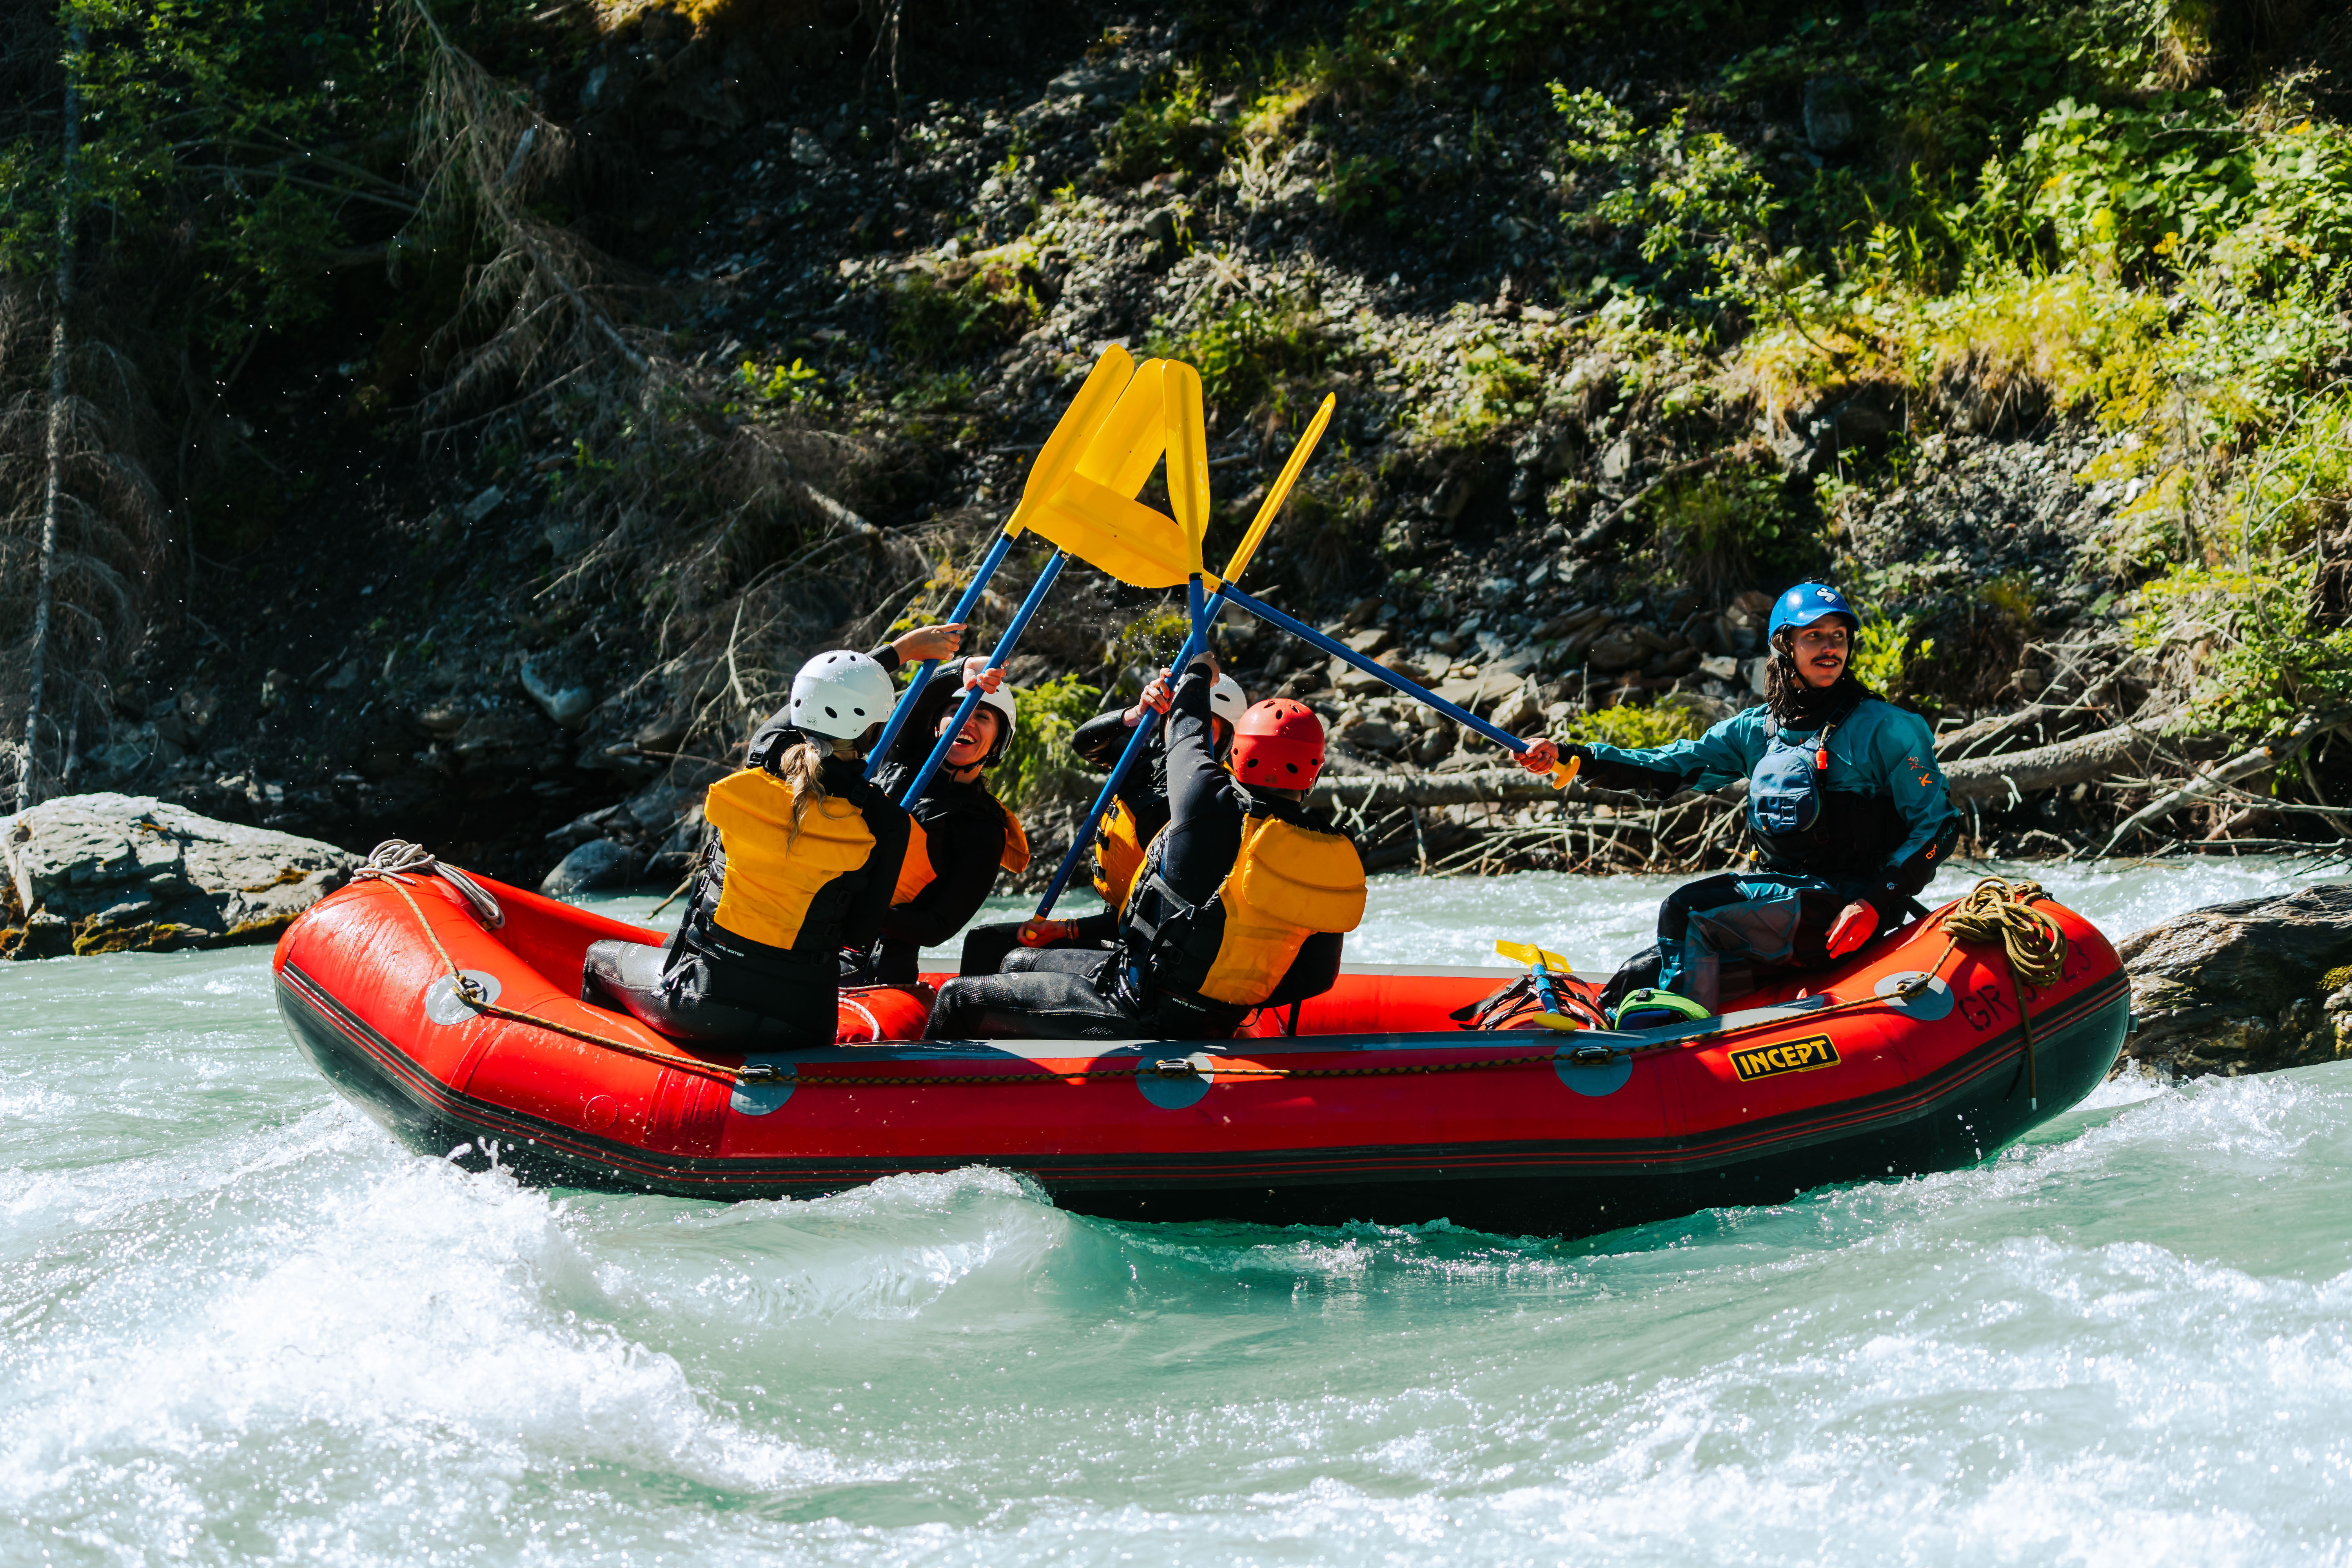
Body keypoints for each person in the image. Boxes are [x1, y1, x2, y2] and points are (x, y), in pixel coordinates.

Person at [1516, 582, 1958, 1018]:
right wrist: (1574, 756)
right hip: (1784, 908)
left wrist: (1875, 901)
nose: (1830, 648)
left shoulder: (1887, 727)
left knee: (1686, 910)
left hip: (1847, 907)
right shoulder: (1756, 730)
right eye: (1814, 636)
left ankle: (1683, 1046)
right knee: (1637, 977)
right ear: (1784, 646)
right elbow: (1668, 766)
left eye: (1839, 636)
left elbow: (1938, 825)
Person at [924, 657, 1365, 1040]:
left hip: (1138, 1003)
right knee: (1016, 961)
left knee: (957, 998)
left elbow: (1187, 736)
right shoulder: (1331, 848)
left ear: (1237, 751)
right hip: (1206, 1008)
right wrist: (1227, 997)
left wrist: (1198, 670)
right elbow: (1315, 976)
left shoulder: (1205, 802)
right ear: (1314, 770)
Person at [581, 648, 911, 1046]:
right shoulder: (887, 821)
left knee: (599, 956)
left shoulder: (761, 760)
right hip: (806, 1021)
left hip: (705, 1003)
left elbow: (792, 716)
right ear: (875, 730)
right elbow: (859, 934)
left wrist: (902, 651)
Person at [956, 665, 1246, 976]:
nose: (1187, 733)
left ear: (1227, 741)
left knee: (1009, 956)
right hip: (1114, 923)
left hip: (1152, 946)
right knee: (983, 942)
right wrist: (1136, 714)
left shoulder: (1216, 806)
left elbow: (1160, 914)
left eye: (1204, 728)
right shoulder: (1145, 760)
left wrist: (1069, 929)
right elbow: (1084, 743)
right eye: (1180, 720)